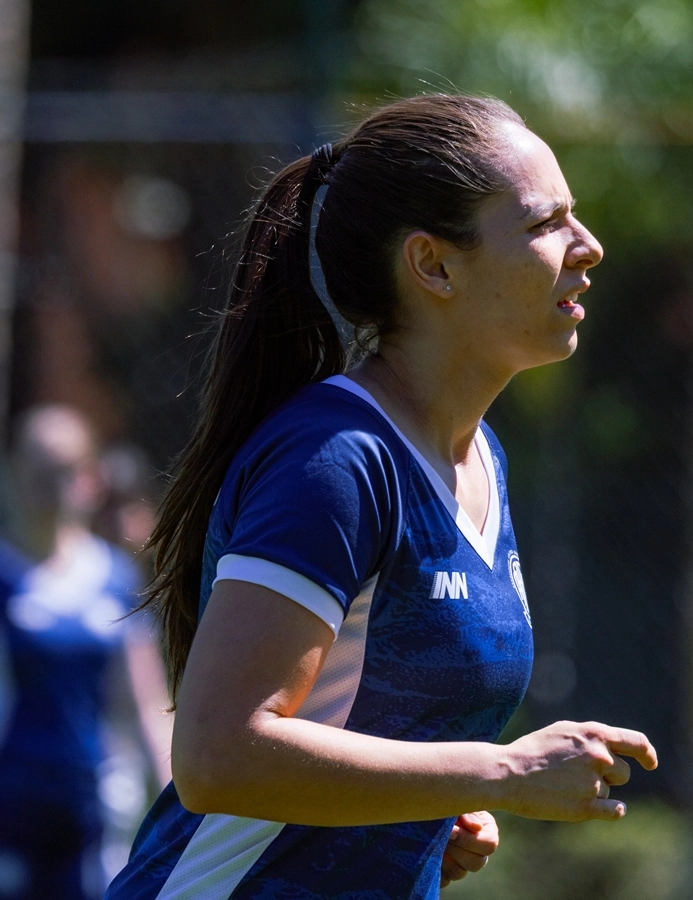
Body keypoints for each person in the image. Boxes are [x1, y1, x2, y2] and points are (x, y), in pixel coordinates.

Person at [106, 94, 657, 900]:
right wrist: (497, 770)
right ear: (434, 265)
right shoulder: (337, 460)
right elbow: (218, 756)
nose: (589, 247)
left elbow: (359, 726)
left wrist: (430, 809)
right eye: (545, 224)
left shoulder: (481, 459)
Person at [0, 405, 172, 900]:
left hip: (92, 811)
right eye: (35, 465)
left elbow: (146, 703)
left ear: (88, 476)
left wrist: (177, 801)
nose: (47, 482)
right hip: (12, 810)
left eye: (61, 467)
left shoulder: (114, 578)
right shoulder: (3, 580)